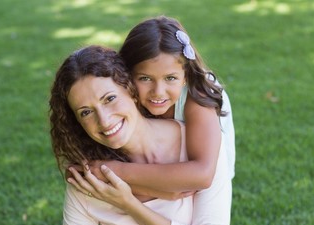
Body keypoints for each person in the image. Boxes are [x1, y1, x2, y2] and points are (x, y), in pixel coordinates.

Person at [49, 45, 232, 225]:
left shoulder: (200, 148)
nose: (104, 120)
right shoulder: (90, 178)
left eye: (110, 98)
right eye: (86, 112)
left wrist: (128, 203)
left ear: (132, 91)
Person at [85, 15, 235, 195]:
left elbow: (202, 175)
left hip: (208, 173)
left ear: (185, 76)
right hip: (161, 166)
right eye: (145, 78)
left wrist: (117, 171)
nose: (158, 91)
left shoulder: (197, 96)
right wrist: (162, 191)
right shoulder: (123, 96)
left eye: (170, 78)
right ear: (126, 75)